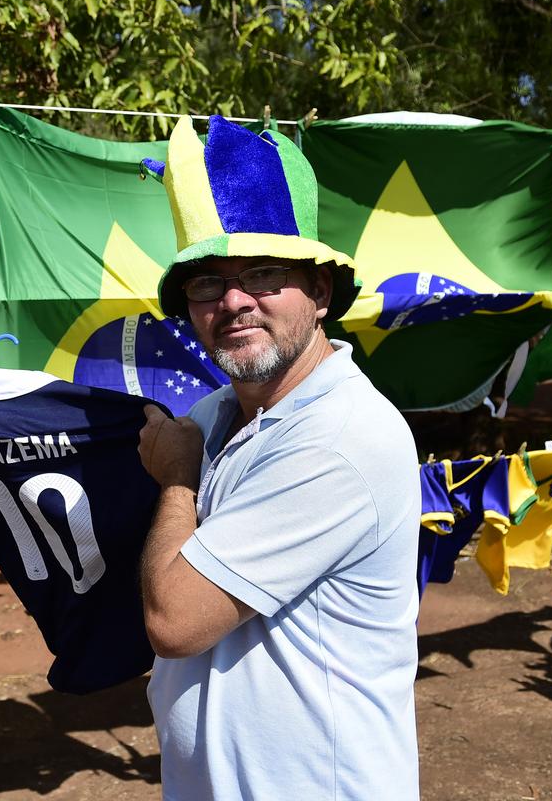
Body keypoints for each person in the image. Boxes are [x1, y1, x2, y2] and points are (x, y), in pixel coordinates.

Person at [136, 116, 420, 800]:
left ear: (319, 294)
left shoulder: (339, 439)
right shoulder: (217, 413)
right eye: (207, 283)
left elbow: (176, 621)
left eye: (263, 274)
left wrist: (177, 481)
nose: (234, 302)